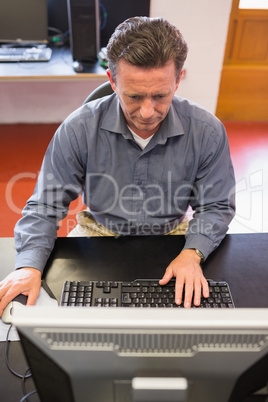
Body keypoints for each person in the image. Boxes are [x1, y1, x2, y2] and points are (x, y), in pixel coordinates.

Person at [0, 17, 235, 315]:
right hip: (98, 230)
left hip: (173, 235)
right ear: (113, 82)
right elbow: (45, 204)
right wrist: (28, 266)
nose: (148, 112)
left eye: (160, 95)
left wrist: (192, 252)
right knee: (58, 319)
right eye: (134, 96)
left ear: (178, 80)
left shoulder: (207, 130)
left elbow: (217, 205)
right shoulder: (79, 129)